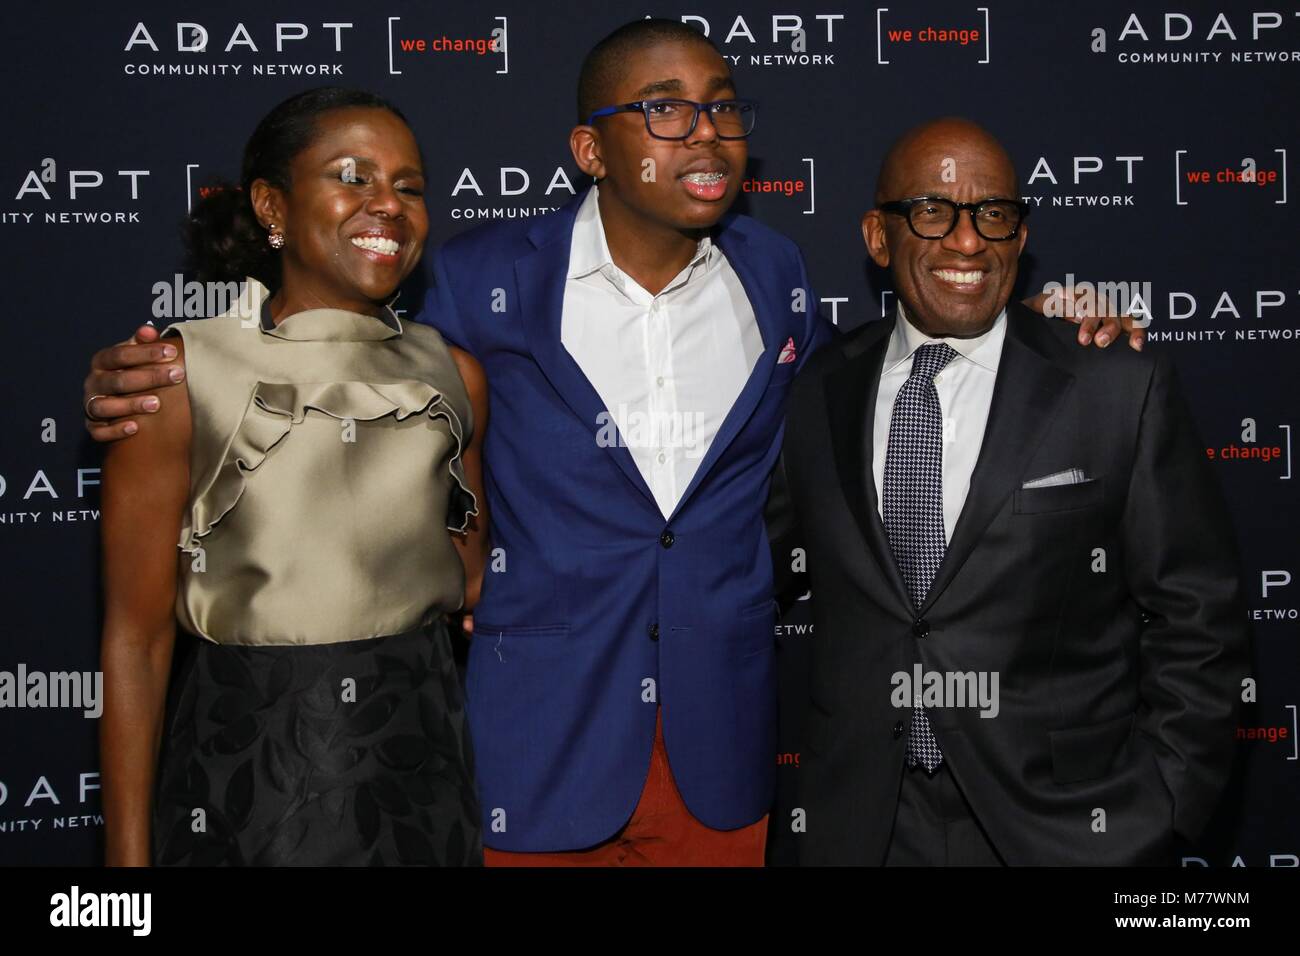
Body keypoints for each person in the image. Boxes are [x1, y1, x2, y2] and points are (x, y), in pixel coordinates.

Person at [84, 24, 1141, 866]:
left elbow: (893, 370)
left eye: (723, 107)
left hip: (719, 754)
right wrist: (151, 372)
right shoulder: (476, 280)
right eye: (666, 108)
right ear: (591, 149)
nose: (706, 131)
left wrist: (1051, 326)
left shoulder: (773, 277)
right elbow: (327, 335)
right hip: (522, 748)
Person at [774, 117, 1250, 865]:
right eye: (932, 211)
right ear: (877, 236)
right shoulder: (815, 395)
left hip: (1061, 831)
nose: (968, 242)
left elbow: (1199, 617)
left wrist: (1160, 809)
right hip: (860, 828)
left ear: (1020, 239)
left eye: (994, 214)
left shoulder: (1114, 384)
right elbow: (744, 578)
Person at [98, 87, 489, 866]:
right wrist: (125, 876)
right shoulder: (178, 374)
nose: (387, 205)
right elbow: (135, 643)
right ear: (272, 205)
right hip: (246, 778)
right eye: (353, 177)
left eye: (408, 187)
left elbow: (468, 571)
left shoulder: (454, 373)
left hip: (422, 770)